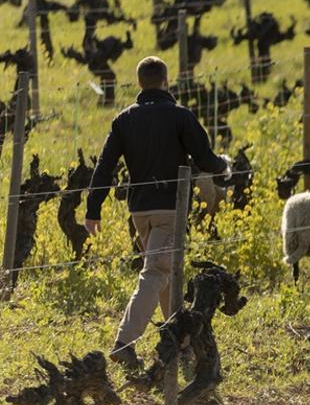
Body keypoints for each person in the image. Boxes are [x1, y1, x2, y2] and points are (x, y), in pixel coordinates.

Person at [84, 56, 229, 369]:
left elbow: (104, 166)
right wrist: (224, 168)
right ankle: (124, 342)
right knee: (158, 273)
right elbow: (205, 159)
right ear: (166, 81)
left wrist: (92, 209)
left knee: (166, 274)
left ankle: (181, 344)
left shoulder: (123, 120)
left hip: (140, 212)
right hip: (170, 207)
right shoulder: (180, 116)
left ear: (139, 84)